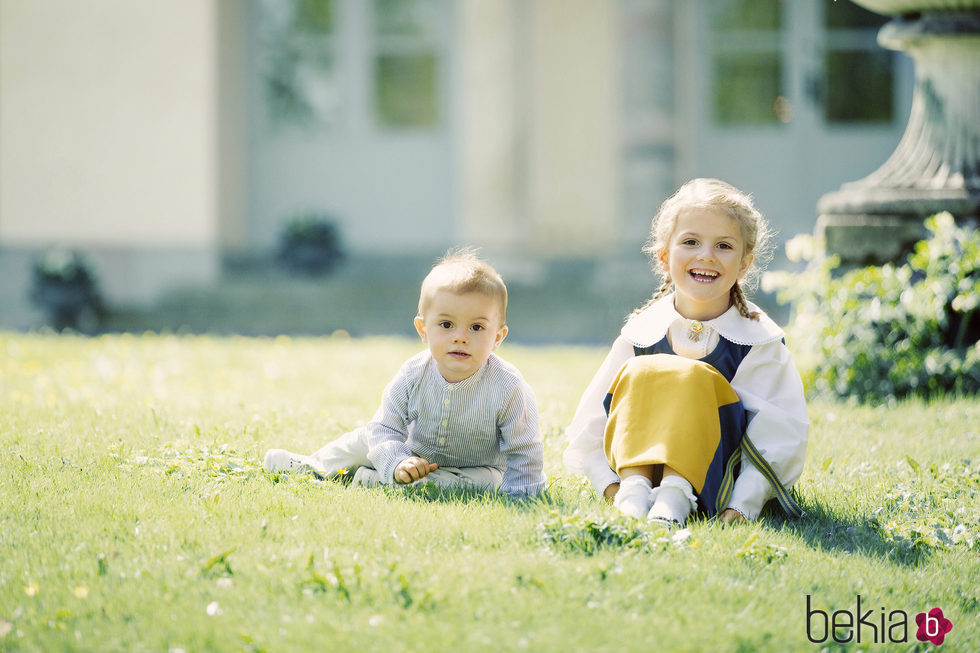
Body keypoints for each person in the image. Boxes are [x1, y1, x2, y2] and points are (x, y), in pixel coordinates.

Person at [563, 178, 808, 525]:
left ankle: (676, 496)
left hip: (714, 479)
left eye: (723, 246)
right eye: (690, 242)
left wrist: (742, 504)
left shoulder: (757, 342)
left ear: (744, 264)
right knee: (640, 371)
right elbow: (592, 422)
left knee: (691, 375)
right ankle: (636, 491)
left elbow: (779, 433)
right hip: (635, 478)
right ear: (664, 256)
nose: (706, 255)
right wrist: (611, 485)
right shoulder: (642, 333)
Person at [264, 249, 546, 498]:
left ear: (498, 336)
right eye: (446, 325)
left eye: (476, 328)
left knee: (485, 483)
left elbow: (524, 450)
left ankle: (374, 480)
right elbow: (385, 427)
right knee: (362, 439)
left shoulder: (507, 386)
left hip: (476, 467)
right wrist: (398, 461)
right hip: (412, 453)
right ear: (424, 330)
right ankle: (314, 465)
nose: (460, 337)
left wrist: (522, 494)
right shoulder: (414, 373)